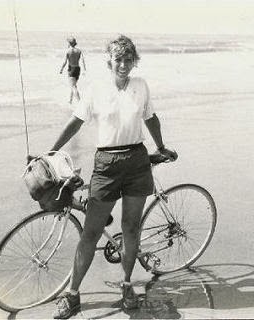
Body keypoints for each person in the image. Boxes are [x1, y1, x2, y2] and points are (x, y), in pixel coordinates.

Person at [51, 35, 178, 319]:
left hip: (136, 161)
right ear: (109, 61)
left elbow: (150, 118)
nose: (123, 65)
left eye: (128, 59)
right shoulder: (96, 88)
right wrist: (52, 149)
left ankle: (127, 285)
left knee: (131, 229)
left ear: (134, 61)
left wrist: (160, 147)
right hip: (106, 163)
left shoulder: (141, 86)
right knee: (91, 232)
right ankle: (72, 295)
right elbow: (76, 121)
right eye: (118, 59)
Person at [59, 37, 86, 104]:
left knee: (73, 86)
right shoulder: (79, 51)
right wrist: (84, 69)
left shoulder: (68, 51)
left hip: (71, 69)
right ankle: (70, 100)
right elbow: (82, 60)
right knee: (73, 85)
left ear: (69, 43)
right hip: (77, 69)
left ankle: (80, 103)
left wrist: (61, 69)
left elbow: (65, 62)